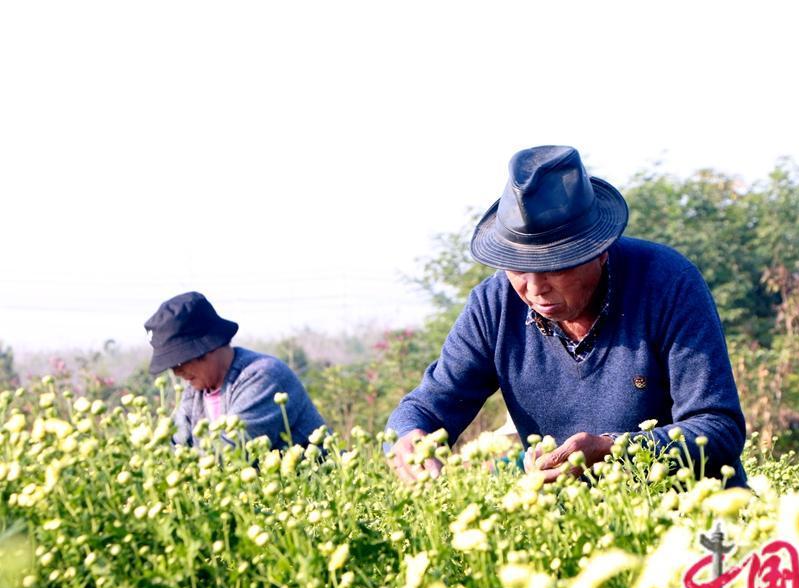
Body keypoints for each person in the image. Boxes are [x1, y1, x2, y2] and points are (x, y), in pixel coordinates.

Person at [386, 145, 748, 487]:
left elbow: (718, 428)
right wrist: (411, 438)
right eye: (517, 268)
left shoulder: (666, 283)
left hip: (694, 518)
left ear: (600, 252)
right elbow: (423, 409)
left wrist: (613, 452)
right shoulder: (494, 306)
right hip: (571, 527)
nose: (533, 288)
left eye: (551, 267)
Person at [144, 291, 325, 449]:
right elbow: (174, 446)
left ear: (208, 346)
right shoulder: (195, 393)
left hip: (315, 484)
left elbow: (229, 453)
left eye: (179, 362)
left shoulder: (263, 377)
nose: (176, 372)